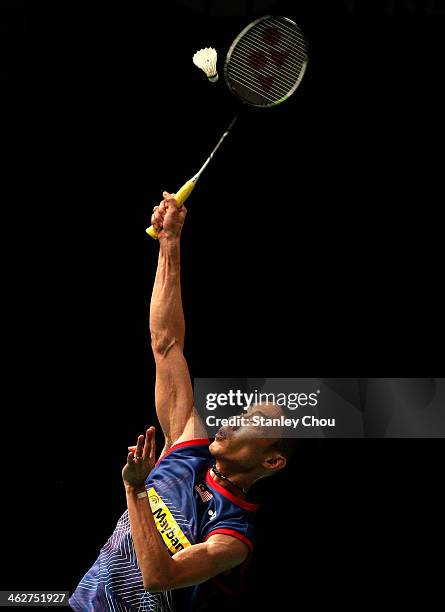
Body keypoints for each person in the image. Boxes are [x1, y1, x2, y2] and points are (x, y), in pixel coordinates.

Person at [69, 193, 291, 611]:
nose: (231, 421)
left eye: (253, 422)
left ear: (272, 461)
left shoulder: (232, 535)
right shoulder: (188, 448)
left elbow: (159, 578)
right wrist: (170, 242)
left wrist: (135, 490)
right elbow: (166, 344)